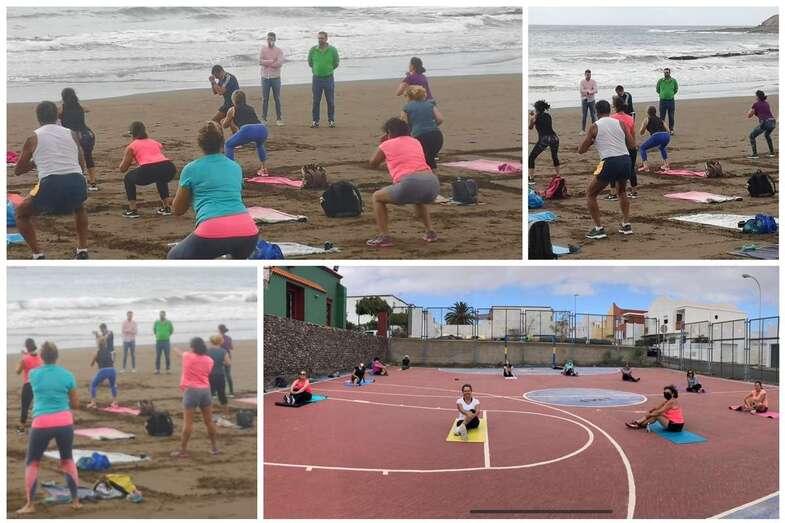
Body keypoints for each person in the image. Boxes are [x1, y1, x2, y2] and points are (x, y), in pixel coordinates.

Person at [168, 122, 259, 259]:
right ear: (222, 143)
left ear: (200, 144)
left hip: (212, 230)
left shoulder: (191, 169)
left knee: (174, 257)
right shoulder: (235, 167)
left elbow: (178, 210)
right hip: (248, 231)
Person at [14, 101, 89, 260]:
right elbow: (81, 165)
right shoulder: (72, 134)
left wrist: (35, 162)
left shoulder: (33, 137)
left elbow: (18, 170)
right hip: (77, 181)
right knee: (79, 207)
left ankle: (37, 254)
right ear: (57, 116)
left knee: (21, 213)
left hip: (50, 183)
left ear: (38, 117)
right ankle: (82, 249)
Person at [16, 342, 80, 514]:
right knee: (67, 460)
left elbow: (29, 385)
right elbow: (75, 404)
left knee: (32, 462)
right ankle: (75, 501)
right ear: (57, 356)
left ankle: (30, 504)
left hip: (42, 422)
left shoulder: (34, 374)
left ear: (42, 356)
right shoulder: (67, 375)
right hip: (64, 422)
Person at [367, 117, 440, 247]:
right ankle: (430, 231)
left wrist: (383, 145)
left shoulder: (386, 144)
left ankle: (384, 236)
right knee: (419, 200)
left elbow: (373, 163)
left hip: (410, 182)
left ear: (389, 132)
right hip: (432, 181)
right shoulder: (415, 141)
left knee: (377, 197)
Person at [577, 99, 635, 240]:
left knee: (590, 193)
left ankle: (599, 228)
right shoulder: (620, 123)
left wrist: (591, 141)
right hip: (625, 159)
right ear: (610, 110)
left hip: (609, 161)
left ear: (596, 112)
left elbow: (581, 150)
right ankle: (626, 224)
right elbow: (632, 145)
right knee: (622, 191)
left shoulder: (594, 126)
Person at [118, 121, 176, 218]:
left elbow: (123, 168)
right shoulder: (155, 142)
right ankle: (166, 207)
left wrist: (129, 161)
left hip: (149, 169)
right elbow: (155, 157)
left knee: (128, 178)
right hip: (168, 167)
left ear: (132, 134)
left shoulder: (132, 146)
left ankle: (133, 209)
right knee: (160, 178)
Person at [172, 337, 219, 458]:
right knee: (209, 421)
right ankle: (214, 448)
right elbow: (206, 373)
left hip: (191, 390)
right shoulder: (209, 360)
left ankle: (183, 450)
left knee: (188, 423)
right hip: (205, 390)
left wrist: (174, 348)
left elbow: (180, 354)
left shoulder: (188, 356)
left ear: (193, 347)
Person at [222, 90, 269, 176]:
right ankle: (264, 168)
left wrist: (230, 119)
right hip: (262, 129)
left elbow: (224, 125)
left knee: (228, 144)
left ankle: (231, 170)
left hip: (247, 129)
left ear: (234, 100)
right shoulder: (251, 108)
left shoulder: (232, 109)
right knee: (259, 144)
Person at [59, 88, 98, 191]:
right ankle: (93, 182)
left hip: (72, 136)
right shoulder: (80, 106)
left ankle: (76, 180)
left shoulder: (62, 108)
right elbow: (88, 109)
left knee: (72, 159)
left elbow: (56, 117)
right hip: (86, 134)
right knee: (88, 156)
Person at [401, 85, 444, 169]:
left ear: (409, 96)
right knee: (430, 158)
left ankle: (423, 177)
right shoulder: (430, 105)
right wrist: (432, 125)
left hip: (419, 136)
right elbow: (440, 119)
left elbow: (404, 123)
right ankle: (433, 178)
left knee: (420, 159)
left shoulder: (406, 108)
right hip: (436, 135)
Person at [608, 96, 638, 199]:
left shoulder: (612, 118)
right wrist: (633, 145)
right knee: (631, 169)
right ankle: (634, 191)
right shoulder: (630, 118)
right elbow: (632, 134)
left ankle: (613, 192)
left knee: (612, 169)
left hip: (618, 147)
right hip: (630, 147)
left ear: (614, 106)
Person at [308, 31, 339, 128]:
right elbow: (310, 62)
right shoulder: (313, 50)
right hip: (317, 79)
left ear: (326, 39)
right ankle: (315, 121)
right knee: (316, 101)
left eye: (322, 38)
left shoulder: (332, 50)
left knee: (330, 101)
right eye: (319, 38)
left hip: (328, 78)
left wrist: (328, 69)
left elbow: (336, 62)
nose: (320, 40)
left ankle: (331, 121)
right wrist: (317, 70)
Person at [16, 339, 43, 434]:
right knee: (39, 406)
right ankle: (40, 426)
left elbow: (18, 371)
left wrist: (22, 357)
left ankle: (21, 429)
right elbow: (33, 355)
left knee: (25, 407)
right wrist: (25, 354)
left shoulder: (25, 359)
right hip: (39, 384)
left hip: (28, 385)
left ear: (26, 347)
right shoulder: (40, 356)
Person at [528, 100, 560, 177]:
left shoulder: (535, 118)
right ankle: (558, 175)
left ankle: (531, 178)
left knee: (531, 158)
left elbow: (530, 127)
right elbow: (543, 121)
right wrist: (534, 116)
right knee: (554, 156)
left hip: (544, 139)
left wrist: (532, 119)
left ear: (537, 109)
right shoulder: (548, 116)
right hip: (554, 137)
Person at [260, 31, 284, 126]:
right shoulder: (263, 49)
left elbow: (279, 63)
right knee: (265, 99)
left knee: (277, 98)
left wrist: (268, 63)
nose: (269, 41)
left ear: (274, 40)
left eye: (271, 39)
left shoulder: (279, 51)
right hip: (265, 77)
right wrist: (271, 61)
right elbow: (260, 61)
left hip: (275, 78)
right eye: (268, 39)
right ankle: (264, 119)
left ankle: (279, 118)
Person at [86, 339, 118, 409]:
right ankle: (115, 402)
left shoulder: (97, 353)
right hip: (112, 370)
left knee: (93, 385)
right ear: (105, 344)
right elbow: (112, 362)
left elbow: (91, 364)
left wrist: (94, 358)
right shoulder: (109, 352)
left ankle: (93, 403)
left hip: (103, 370)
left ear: (98, 345)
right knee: (113, 385)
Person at [638, 106, 670, 172]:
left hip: (657, 136)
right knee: (662, 147)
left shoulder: (647, 119)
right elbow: (668, 130)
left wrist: (644, 127)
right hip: (666, 136)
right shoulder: (660, 119)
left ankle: (645, 166)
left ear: (648, 112)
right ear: (655, 112)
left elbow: (641, 132)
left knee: (642, 148)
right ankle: (666, 164)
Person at [747, 90, 776, 159]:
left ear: (757, 97)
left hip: (765, 123)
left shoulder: (756, 104)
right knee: (767, 135)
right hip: (772, 122)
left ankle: (755, 154)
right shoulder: (766, 103)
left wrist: (751, 110)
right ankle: (772, 153)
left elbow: (749, 115)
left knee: (752, 136)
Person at [207, 335, 231, 418]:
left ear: (211, 342)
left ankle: (208, 413)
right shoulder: (223, 351)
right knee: (222, 394)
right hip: (220, 375)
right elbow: (228, 363)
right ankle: (226, 413)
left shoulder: (207, 351)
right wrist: (221, 363)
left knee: (209, 395)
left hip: (209, 375)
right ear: (220, 342)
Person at [656, 68, 678, 134]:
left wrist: (670, 94)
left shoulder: (674, 81)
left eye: (667, 72)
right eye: (665, 72)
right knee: (662, 116)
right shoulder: (660, 81)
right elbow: (657, 89)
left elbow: (676, 89)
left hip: (671, 101)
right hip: (662, 101)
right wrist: (663, 94)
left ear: (669, 73)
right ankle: (662, 129)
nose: (666, 74)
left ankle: (671, 129)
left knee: (671, 116)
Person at [218, 324, 235, 397]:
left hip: (221, 356)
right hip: (228, 355)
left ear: (219, 330)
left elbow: (217, 347)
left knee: (220, 375)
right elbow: (232, 347)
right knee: (228, 375)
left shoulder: (218, 338)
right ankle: (231, 392)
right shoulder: (229, 338)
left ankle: (220, 392)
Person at [579, 69, 598, 134]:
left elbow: (596, 90)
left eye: (589, 75)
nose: (588, 76)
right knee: (584, 115)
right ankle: (583, 130)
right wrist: (589, 91)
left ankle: (594, 129)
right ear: (585, 75)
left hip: (592, 100)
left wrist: (588, 91)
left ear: (590, 75)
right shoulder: (582, 82)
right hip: (584, 100)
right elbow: (581, 91)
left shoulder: (593, 81)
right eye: (587, 75)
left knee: (593, 115)